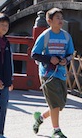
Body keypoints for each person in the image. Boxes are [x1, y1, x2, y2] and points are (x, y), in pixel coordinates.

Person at [31, 8, 75, 138]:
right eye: (57, 18)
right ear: (49, 21)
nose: (60, 20)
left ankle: (40, 118)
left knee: (60, 104)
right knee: (55, 104)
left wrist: (65, 60)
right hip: (47, 74)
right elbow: (35, 54)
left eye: (61, 18)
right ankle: (56, 130)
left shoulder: (67, 36)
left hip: (61, 73)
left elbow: (70, 53)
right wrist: (50, 59)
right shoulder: (45, 36)